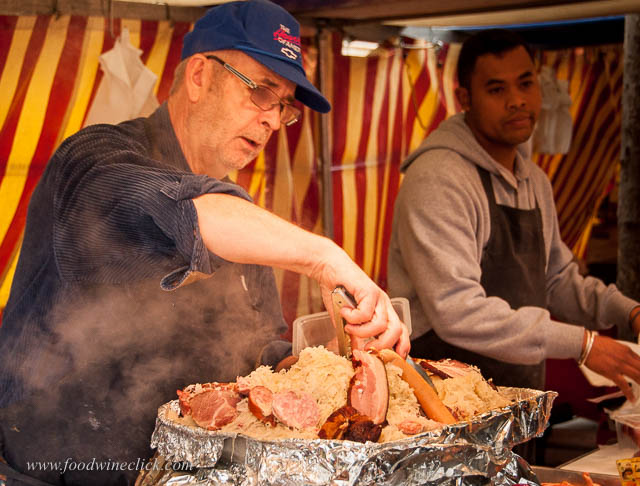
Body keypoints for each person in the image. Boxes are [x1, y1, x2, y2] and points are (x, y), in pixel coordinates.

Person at [0, 1, 410, 484]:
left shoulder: (243, 223)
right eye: (262, 92)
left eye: (284, 106)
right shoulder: (94, 158)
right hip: (59, 468)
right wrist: (325, 257)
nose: (274, 121)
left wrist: (321, 368)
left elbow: (253, 348)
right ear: (199, 76)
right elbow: (182, 209)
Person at [388, 29, 640, 397]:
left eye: (526, 84)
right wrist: (583, 344)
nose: (517, 101)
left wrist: (627, 311)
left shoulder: (533, 179)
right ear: (464, 99)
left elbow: (556, 280)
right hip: (446, 405)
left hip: (517, 398)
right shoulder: (438, 178)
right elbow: (456, 311)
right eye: (496, 90)